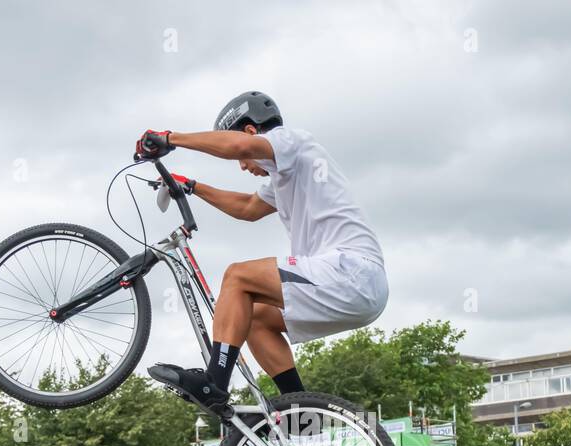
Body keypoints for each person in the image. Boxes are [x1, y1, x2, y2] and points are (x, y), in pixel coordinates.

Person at [136, 92, 389, 414]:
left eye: (244, 158)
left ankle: (213, 382)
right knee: (253, 318)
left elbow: (239, 148)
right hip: (350, 285)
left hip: (352, 271)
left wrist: (169, 138)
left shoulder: (292, 142)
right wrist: (192, 186)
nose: (243, 166)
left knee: (238, 276)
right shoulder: (285, 175)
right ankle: (302, 411)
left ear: (251, 131)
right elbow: (248, 208)